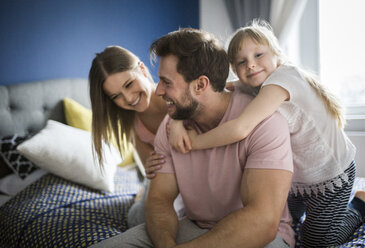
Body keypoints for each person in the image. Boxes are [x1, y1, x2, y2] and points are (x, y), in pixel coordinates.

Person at [166, 20, 365, 247]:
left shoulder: (284, 78)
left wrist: (195, 142)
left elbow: (241, 128)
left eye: (259, 55)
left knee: (317, 243)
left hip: (330, 176)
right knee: (278, 222)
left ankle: (361, 205)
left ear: (277, 56)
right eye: (241, 62)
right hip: (297, 180)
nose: (251, 65)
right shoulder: (253, 84)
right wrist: (177, 119)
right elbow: (207, 93)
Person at [90, 28, 295, 248]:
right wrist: (166, 244)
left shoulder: (265, 124)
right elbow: (159, 200)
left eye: (166, 82)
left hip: (259, 236)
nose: (158, 91)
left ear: (200, 85)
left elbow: (262, 222)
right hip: (196, 226)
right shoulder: (170, 125)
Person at [88, 45, 184, 228]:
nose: (129, 98)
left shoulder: (176, 95)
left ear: (141, 69)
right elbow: (152, 167)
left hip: (192, 170)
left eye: (129, 84)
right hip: (166, 176)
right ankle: (141, 196)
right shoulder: (132, 122)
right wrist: (150, 168)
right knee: (138, 220)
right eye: (116, 96)